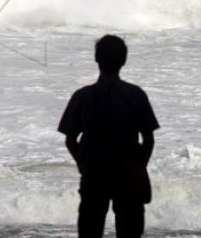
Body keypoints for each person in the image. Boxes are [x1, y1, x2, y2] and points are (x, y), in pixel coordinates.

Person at [58, 35, 159, 238]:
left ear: (97, 59)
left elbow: (70, 140)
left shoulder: (82, 96)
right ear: (124, 60)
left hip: (94, 173)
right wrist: (139, 166)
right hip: (128, 173)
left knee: (90, 232)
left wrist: (83, 164)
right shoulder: (136, 95)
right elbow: (148, 139)